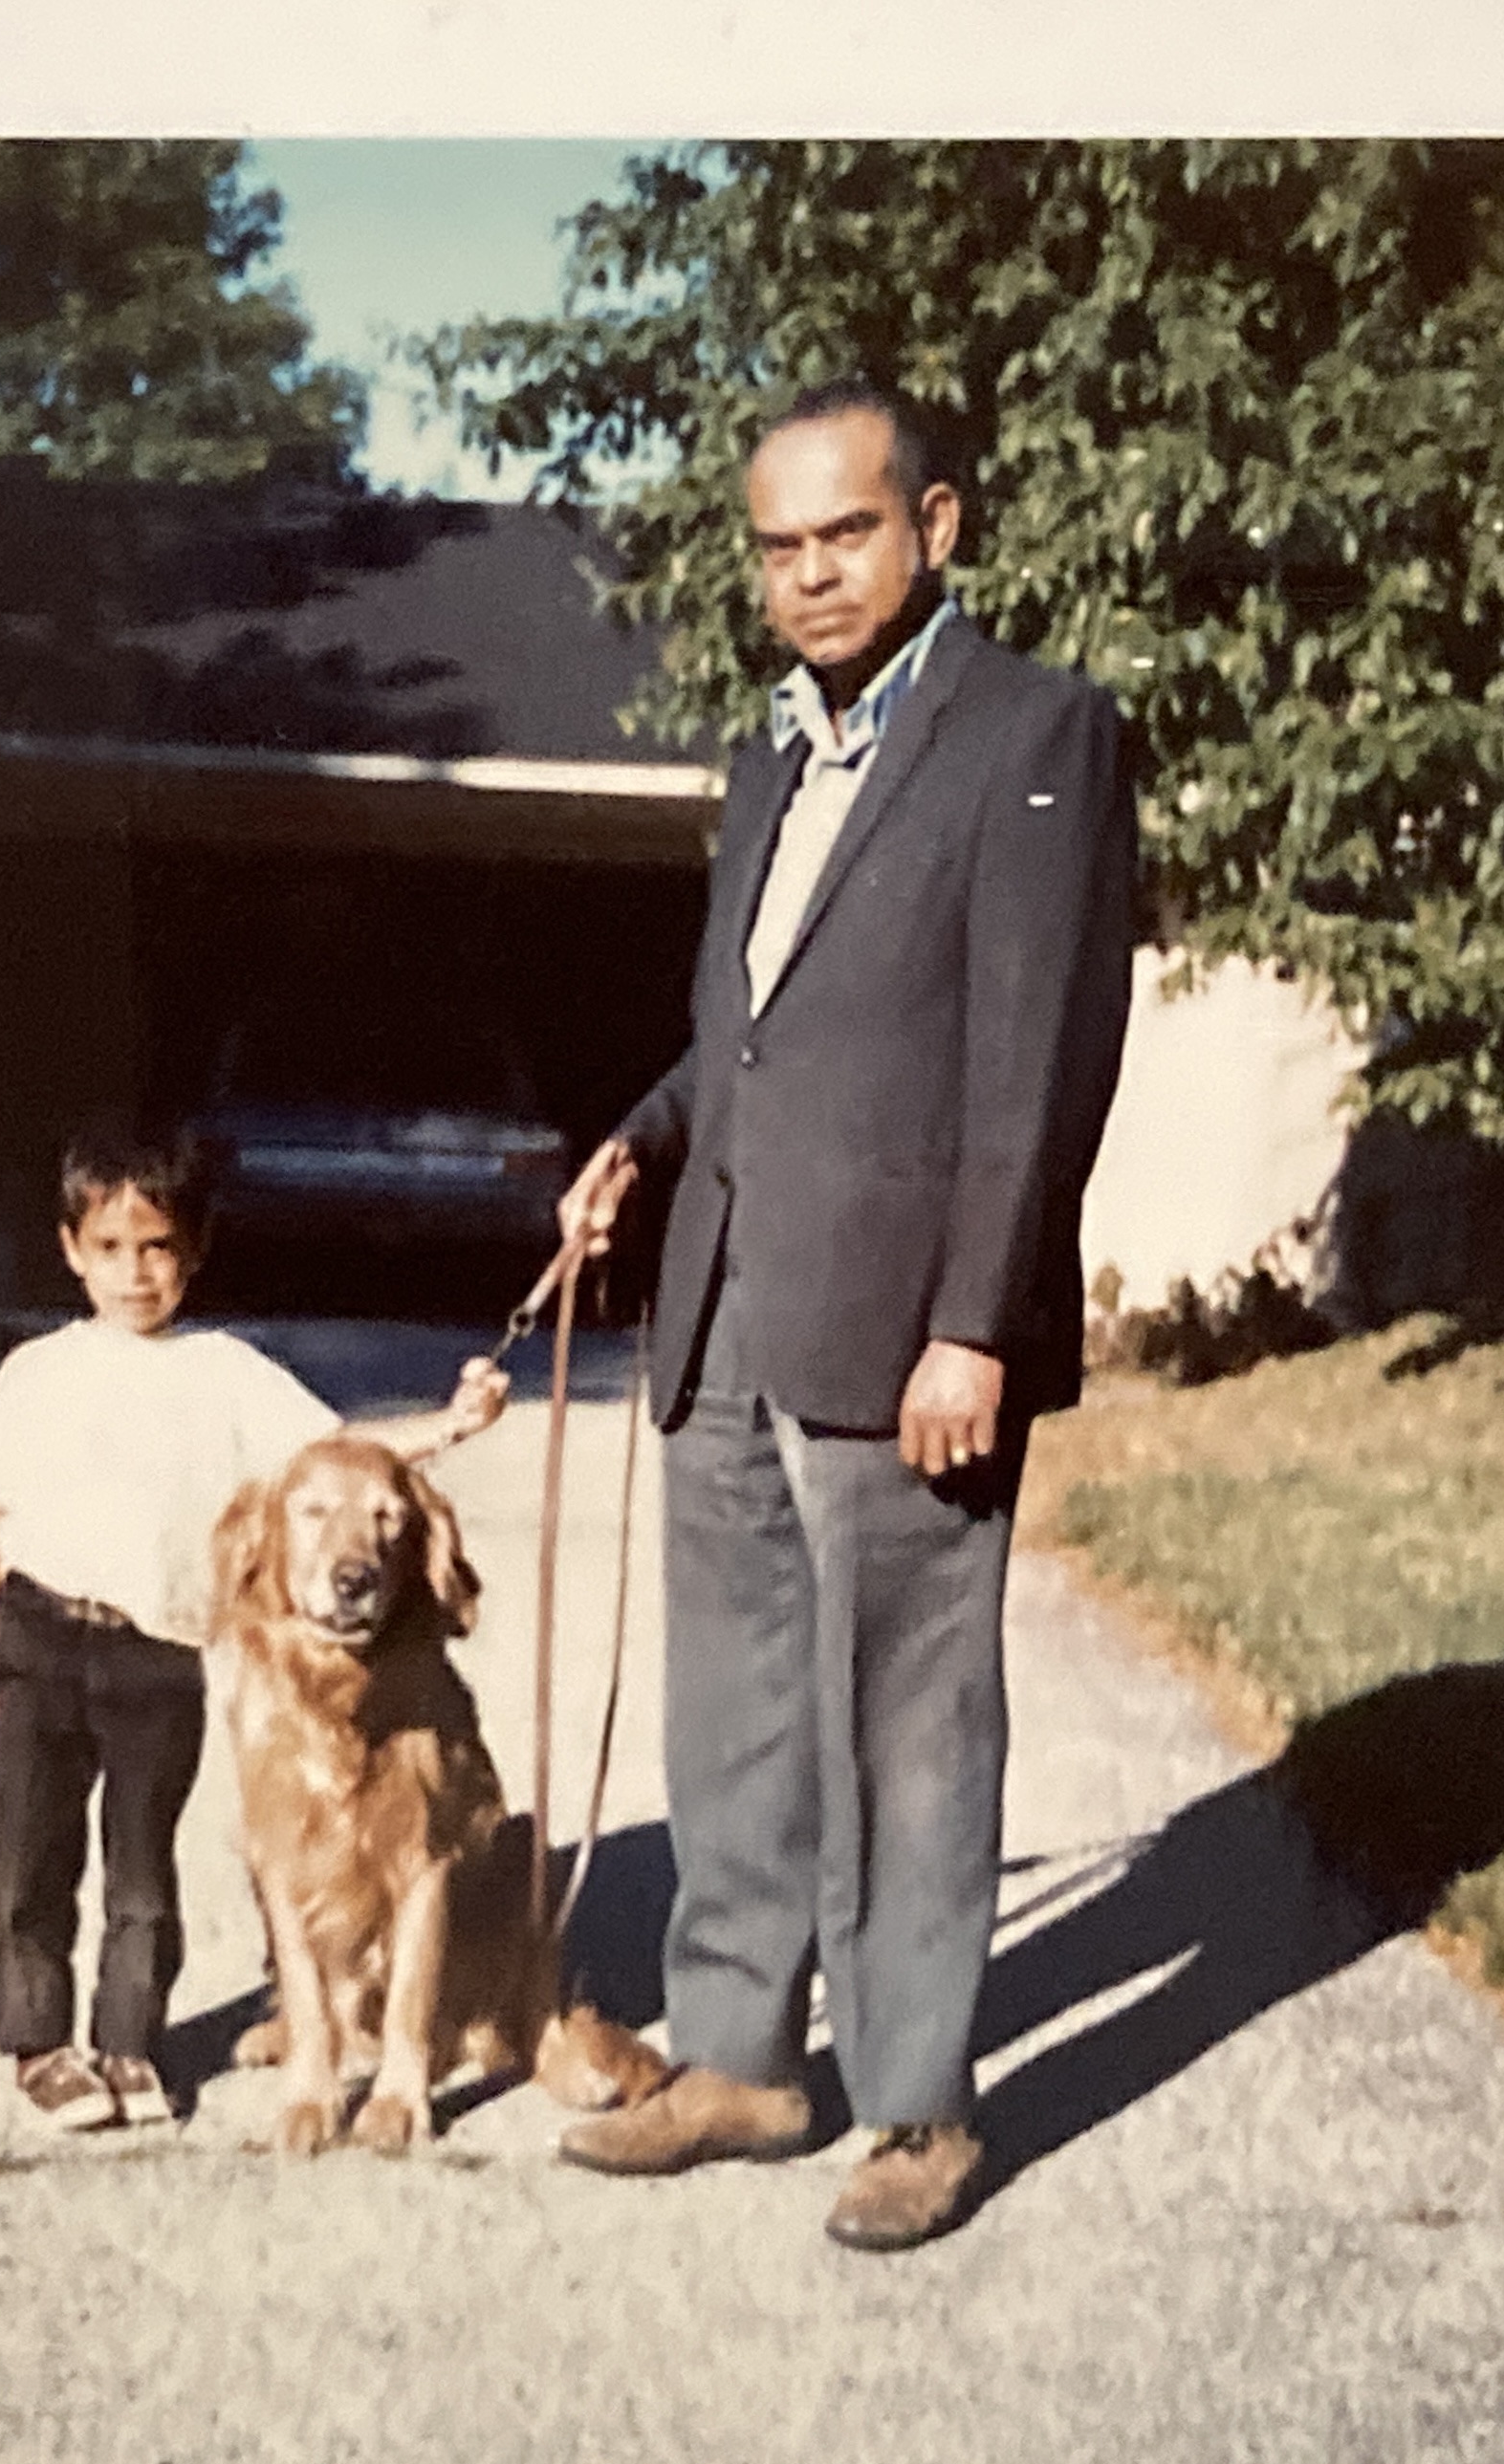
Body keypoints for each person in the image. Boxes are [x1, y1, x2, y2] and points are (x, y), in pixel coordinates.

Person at [552, 380, 1137, 2250]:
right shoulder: (769, 757)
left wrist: (978, 1321)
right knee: (733, 1704)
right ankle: (739, 2057)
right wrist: (641, 1138)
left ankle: (915, 2103)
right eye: (779, 545)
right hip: (726, 1293)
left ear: (934, 528)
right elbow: (753, 1029)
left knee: (905, 1716)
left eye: (847, 533)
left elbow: (1040, 1058)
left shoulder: (1035, 734)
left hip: (906, 1327)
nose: (809, 575)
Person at [0, 1132, 507, 2133]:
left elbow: (342, 1452)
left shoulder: (225, 1373)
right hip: (35, 1637)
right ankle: (39, 2047)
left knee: (141, 1865)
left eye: (157, 1247)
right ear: (71, 1250)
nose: (134, 1273)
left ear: (193, 1251)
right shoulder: (35, 1371)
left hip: (157, 1652)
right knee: (30, 1854)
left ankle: (127, 2042)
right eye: (110, 1248)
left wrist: (453, 1425)